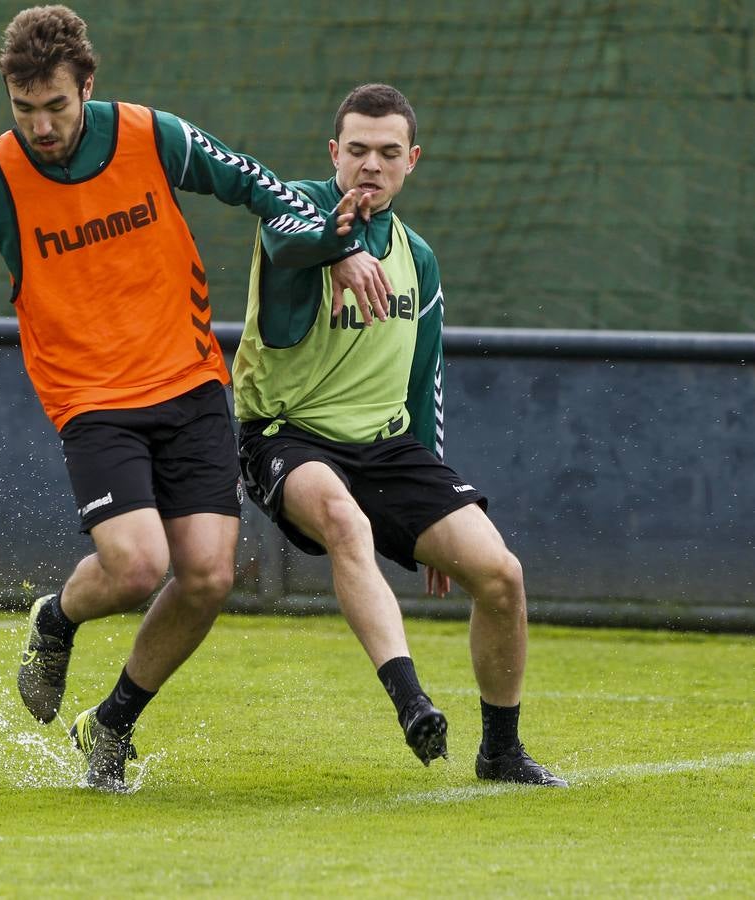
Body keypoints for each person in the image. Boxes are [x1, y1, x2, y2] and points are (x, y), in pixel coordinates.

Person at [0, 6, 382, 792]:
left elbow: (258, 187)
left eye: (56, 107)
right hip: (92, 399)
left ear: (87, 87)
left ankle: (111, 724)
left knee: (206, 577)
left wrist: (334, 245)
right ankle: (55, 620)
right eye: (24, 110)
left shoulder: (151, 135)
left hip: (192, 384)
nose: (41, 126)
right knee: (135, 568)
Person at [233, 83, 566, 786]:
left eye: (388, 153)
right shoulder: (297, 206)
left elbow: (425, 382)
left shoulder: (419, 256)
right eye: (356, 150)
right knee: (345, 525)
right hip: (286, 435)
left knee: (501, 575)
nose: (370, 166)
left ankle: (501, 751)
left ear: (412, 161)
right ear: (334, 154)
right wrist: (337, 245)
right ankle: (412, 702)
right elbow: (287, 247)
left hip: (386, 449)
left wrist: (437, 501)